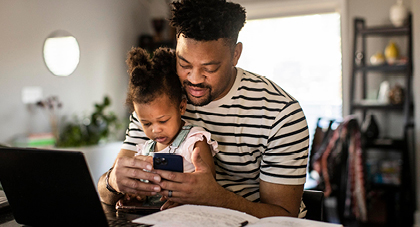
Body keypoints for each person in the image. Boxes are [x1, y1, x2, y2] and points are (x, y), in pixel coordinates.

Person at [98, 0, 309, 218]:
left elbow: (284, 217)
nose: (195, 79)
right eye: (184, 64)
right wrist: (113, 181)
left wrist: (215, 198)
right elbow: (106, 194)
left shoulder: (281, 114)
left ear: (236, 54)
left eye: (210, 68)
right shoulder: (159, 97)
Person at [115, 47, 218, 209]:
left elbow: (208, 187)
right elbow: (142, 189)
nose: (155, 130)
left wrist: (186, 199)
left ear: (182, 107)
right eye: (146, 124)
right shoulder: (145, 150)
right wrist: (136, 195)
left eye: (163, 121)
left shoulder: (194, 141)